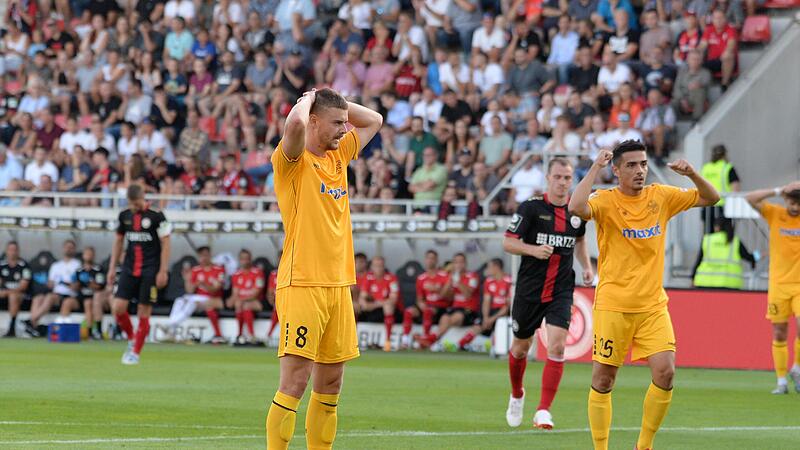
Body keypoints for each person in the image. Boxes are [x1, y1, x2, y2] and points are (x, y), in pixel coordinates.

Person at [569, 140, 719, 450]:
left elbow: (711, 197)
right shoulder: (606, 200)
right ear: (617, 170)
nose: (640, 171)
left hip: (652, 305)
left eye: (643, 164)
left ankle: (644, 445)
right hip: (614, 305)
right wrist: (595, 167)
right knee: (604, 380)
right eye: (631, 165)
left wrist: (691, 173)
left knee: (666, 373)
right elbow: (575, 207)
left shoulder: (660, 196)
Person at [265, 87, 382, 450]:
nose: (345, 130)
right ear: (314, 122)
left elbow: (374, 120)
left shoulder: (339, 156)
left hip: (338, 286)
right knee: (295, 383)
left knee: (331, 386)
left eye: (345, 124)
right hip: (302, 283)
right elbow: (295, 125)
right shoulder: (292, 162)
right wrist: (307, 100)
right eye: (336, 124)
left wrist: (336, 104)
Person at [502, 158, 593, 429]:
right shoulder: (531, 208)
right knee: (520, 349)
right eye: (558, 177)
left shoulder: (577, 211)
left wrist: (587, 266)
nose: (563, 182)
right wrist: (533, 250)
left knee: (557, 345)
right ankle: (517, 393)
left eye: (567, 178)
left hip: (561, 289)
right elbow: (508, 242)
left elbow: (579, 240)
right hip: (529, 290)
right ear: (548, 178)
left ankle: (543, 410)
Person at [106, 184, 172, 365]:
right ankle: (132, 338)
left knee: (144, 311)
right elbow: (118, 241)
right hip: (129, 268)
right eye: (130, 203)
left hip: (150, 270)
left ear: (142, 197)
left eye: (135, 203)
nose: (133, 207)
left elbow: (166, 243)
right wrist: (112, 268)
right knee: (118, 308)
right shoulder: (124, 216)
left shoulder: (157, 216)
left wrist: (163, 270)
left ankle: (135, 352)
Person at [745, 181, 800, 394]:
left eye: (799, 203)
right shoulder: (775, 213)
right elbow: (750, 198)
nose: (795, 207)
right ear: (786, 200)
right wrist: (778, 190)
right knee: (779, 332)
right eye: (792, 202)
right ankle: (781, 381)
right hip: (778, 284)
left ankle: (796, 368)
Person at [417, 253, 479, 350]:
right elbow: (443, 295)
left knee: (454, 317)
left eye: (461, 262)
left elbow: (468, 295)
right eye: (456, 262)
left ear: (465, 263)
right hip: (455, 308)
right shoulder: (451, 277)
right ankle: (433, 340)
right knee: (445, 317)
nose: (458, 264)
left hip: (468, 310)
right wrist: (449, 281)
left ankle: (431, 339)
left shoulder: (472, 276)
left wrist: (458, 282)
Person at [165, 246, 227, 344]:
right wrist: (187, 280)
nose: (204, 258)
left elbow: (215, 289)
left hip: (211, 298)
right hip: (197, 296)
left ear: (210, 255)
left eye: (206, 255)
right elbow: (189, 291)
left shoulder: (218, 269)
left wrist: (203, 284)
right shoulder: (196, 270)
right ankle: (171, 330)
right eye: (201, 256)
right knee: (180, 300)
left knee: (192, 302)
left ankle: (169, 324)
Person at [457, 258, 511, 351]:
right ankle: (462, 344)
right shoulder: (489, 281)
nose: (487, 270)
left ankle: (497, 346)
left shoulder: (509, 281)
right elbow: (486, 302)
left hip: (504, 311)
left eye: (489, 267)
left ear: (496, 267)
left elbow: (508, 305)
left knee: (500, 322)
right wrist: (486, 317)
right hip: (492, 311)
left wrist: (492, 319)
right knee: (479, 324)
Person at [400, 249, 450, 349]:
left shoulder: (444, 276)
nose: (430, 261)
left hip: (439, 306)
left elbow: (449, 296)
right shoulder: (421, 278)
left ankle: (426, 339)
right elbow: (420, 298)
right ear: (425, 260)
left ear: (436, 260)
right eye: (428, 258)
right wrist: (421, 304)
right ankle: (405, 340)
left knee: (428, 311)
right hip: (426, 305)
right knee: (409, 311)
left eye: (432, 258)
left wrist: (436, 290)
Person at [26, 240, 80, 330]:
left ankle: (31, 321)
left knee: (50, 297)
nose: (68, 249)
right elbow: (51, 283)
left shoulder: (77, 265)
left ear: (74, 250)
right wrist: (49, 284)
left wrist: (66, 283)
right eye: (67, 247)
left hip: (70, 295)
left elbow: (77, 285)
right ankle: (33, 326)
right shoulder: (56, 265)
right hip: (56, 295)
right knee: (38, 298)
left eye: (71, 248)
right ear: (63, 248)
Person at [692, 218, 755, 289]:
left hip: (704, 282)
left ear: (717, 227)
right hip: (729, 283)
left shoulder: (707, 240)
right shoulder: (735, 241)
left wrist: (692, 277)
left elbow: (698, 261)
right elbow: (750, 257)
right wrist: (759, 255)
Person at [358, 256, 401, 352]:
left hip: (387, 311)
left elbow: (393, 299)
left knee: (388, 306)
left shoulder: (391, 278)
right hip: (372, 311)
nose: (378, 268)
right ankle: (352, 340)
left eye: (381, 266)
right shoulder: (368, 278)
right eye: (376, 266)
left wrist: (374, 304)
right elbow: (362, 297)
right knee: (355, 307)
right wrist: (364, 303)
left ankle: (388, 341)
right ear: (372, 267)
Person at [227, 249, 266, 345]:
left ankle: (251, 336)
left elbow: (256, 294)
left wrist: (240, 299)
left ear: (250, 259)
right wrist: (231, 300)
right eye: (243, 259)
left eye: (247, 259)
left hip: (257, 302)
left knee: (245, 304)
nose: (245, 261)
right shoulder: (236, 275)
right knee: (239, 304)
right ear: (239, 260)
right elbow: (235, 293)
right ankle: (240, 335)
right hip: (242, 303)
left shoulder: (257, 272)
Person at [66, 246, 106, 338]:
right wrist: (74, 285)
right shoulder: (79, 270)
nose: (89, 256)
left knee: (89, 303)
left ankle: (92, 331)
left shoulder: (98, 269)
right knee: (67, 302)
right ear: (83, 256)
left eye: (91, 254)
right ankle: (64, 327)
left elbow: (99, 286)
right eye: (87, 254)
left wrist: (88, 282)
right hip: (81, 296)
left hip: (94, 296)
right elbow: (74, 287)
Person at [700, 144, 740, 233]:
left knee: (708, 236)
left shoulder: (706, 168)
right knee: (724, 236)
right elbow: (735, 189)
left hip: (707, 207)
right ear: (724, 154)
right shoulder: (727, 167)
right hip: (723, 207)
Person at [1, 241, 32, 337]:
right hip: (3, 295)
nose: (12, 252)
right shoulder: (2, 265)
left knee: (13, 296)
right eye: (10, 250)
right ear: (6, 251)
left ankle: (12, 328)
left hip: (21, 296)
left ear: (18, 251)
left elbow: (23, 286)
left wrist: (7, 292)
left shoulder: (24, 266)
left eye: (15, 250)